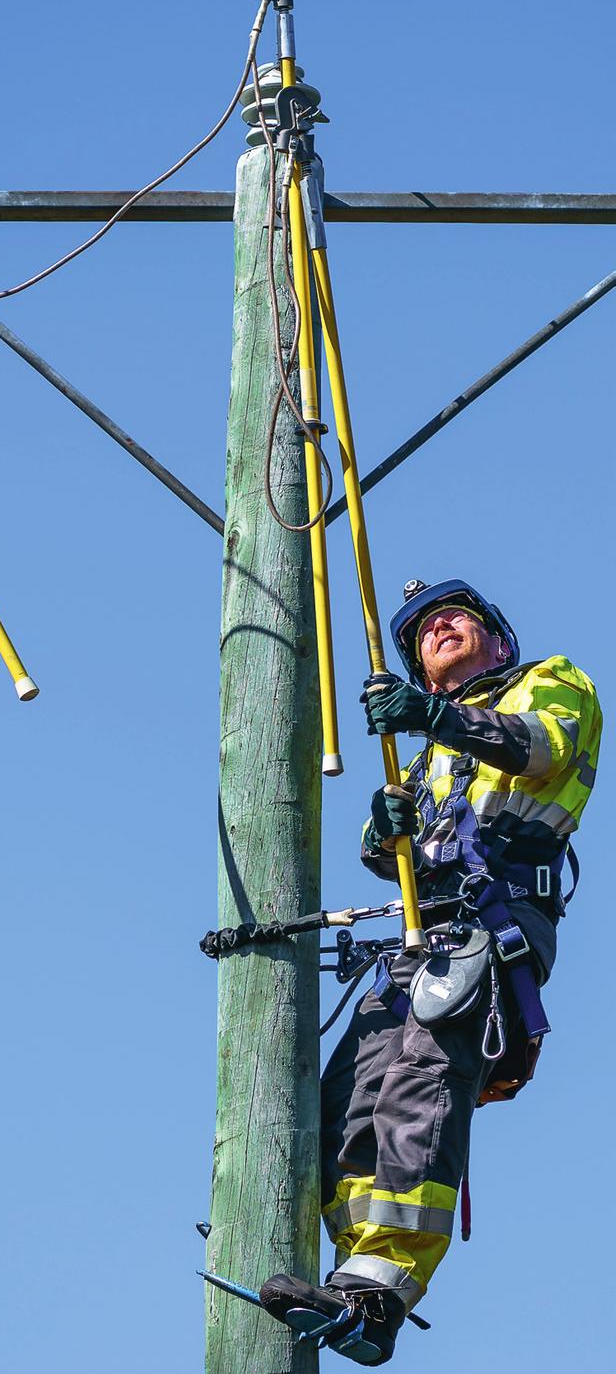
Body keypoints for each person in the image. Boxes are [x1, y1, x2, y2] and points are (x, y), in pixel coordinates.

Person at [258, 577, 602, 1365]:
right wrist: (387, 832)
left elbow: (540, 745)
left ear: (497, 640)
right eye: (419, 631)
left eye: (456, 614)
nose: (437, 625)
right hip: (424, 935)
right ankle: (355, 1273)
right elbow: (390, 858)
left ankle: (383, 1292)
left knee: (420, 1086)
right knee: (348, 1101)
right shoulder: (433, 754)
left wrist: (437, 716)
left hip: (494, 925)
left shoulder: (549, 682)